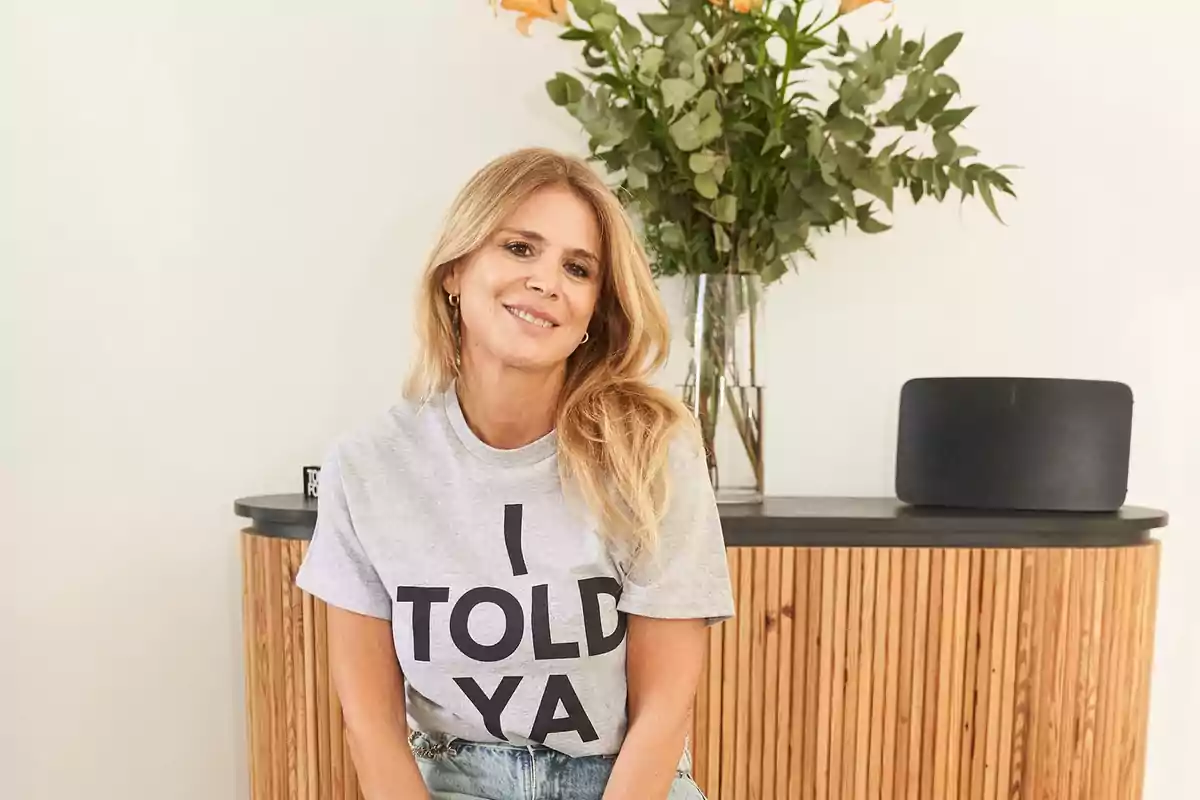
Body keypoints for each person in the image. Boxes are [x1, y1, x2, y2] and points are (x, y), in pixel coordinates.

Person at [295, 147, 735, 800]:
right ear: (455, 270)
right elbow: (371, 724)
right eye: (520, 248)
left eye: (578, 268)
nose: (547, 281)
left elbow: (664, 710)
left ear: (594, 312)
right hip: (451, 781)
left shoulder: (653, 452)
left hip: (620, 781)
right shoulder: (367, 469)